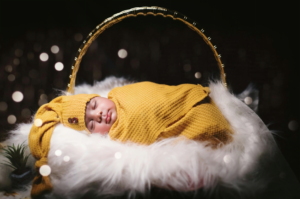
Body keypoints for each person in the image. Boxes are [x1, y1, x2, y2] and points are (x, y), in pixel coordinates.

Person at [28, 81, 233, 198]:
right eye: (91, 124)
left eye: (94, 106)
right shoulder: (119, 135)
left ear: (97, 96)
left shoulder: (119, 93)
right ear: (95, 134)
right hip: (200, 120)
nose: (98, 115)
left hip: (189, 97)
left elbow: (153, 92)